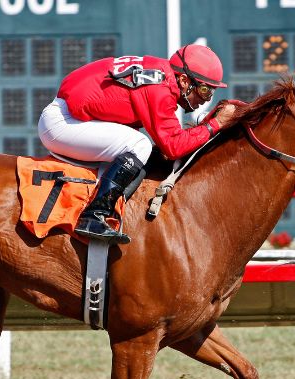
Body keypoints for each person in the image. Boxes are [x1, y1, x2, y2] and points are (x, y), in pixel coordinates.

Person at [38, 44, 235, 245]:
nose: (206, 99)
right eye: (204, 90)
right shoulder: (160, 89)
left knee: (136, 143)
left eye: (210, 93)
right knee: (139, 144)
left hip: (68, 114)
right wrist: (215, 124)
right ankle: (93, 215)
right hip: (63, 122)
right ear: (184, 80)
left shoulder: (161, 75)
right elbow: (174, 147)